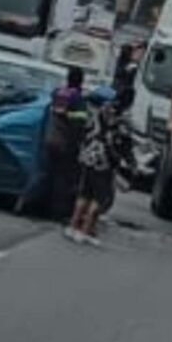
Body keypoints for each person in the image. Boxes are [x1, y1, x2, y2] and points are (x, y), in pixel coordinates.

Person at [65, 96, 134, 246]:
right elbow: (124, 144)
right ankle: (85, 231)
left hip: (89, 157)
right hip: (104, 162)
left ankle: (73, 226)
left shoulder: (100, 113)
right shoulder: (121, 121)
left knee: (84, 194)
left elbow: (86, 131)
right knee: (98, 199)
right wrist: (129, 162)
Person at [44, 67, 90, 220]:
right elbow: (79, 125)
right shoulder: (77, 98)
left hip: (51, 138)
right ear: (81, 81)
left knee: (50, 173)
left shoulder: (57, 92)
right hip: (65, 143)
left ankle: (43, 205)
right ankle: (57, 212)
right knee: (63, 178)